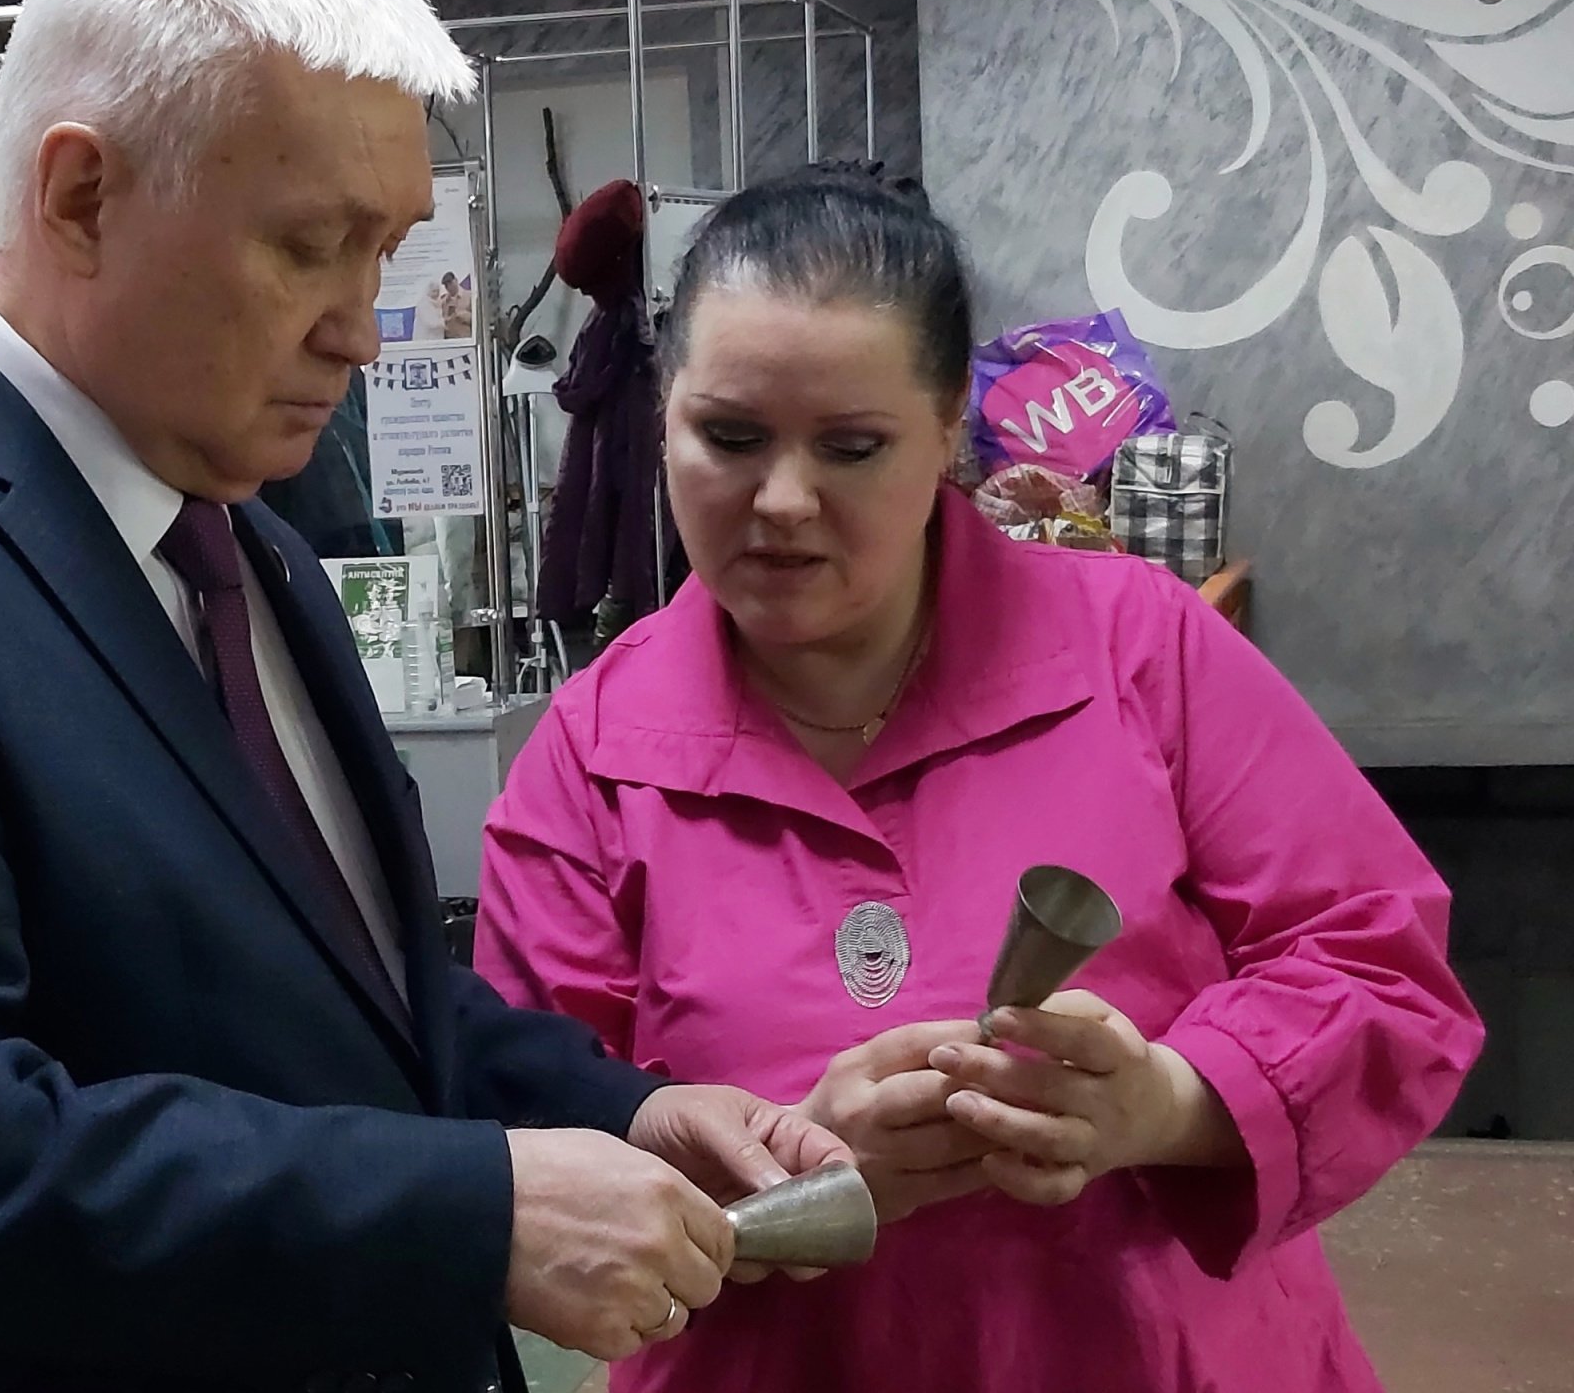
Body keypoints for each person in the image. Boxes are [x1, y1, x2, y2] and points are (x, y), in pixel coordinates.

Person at [0, 0, 847, 1393]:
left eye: (383, 251)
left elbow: (349, 993)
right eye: (310, 246)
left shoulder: (246, 546)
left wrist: (621, 1111)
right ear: (80, 197)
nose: (361, 328)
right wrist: (469, 1211)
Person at [474, 162, 1484, 1393]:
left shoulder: (1136, 653)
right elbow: (534, 1134)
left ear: (949, 424)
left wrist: (1166, 1101)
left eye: (851, 448)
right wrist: (786, 1168)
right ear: (663, 414)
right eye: (728, 438)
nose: (780, 501)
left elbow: (1376, 963)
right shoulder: (593, 756)